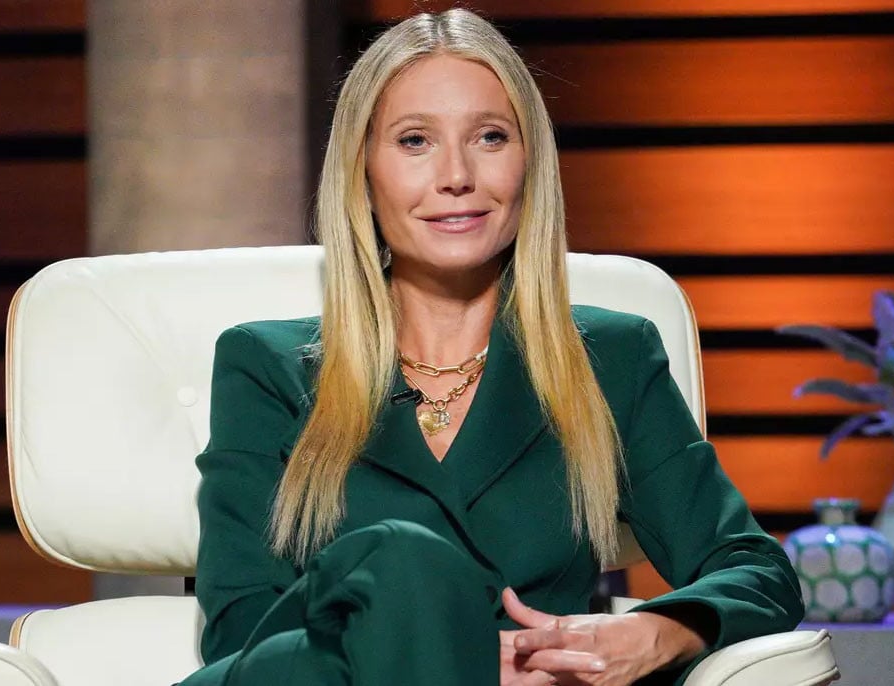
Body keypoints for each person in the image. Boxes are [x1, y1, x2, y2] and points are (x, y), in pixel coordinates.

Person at [178, 9, 802, 686]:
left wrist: (655, 633)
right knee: (395, 558)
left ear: (529, 163)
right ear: (363, 173)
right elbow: (241, 635)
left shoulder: (612, 359)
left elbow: (756, 571)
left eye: (490, 137)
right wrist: (454, 662)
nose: (457, 175)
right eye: (415, 141)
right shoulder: (263, 367)